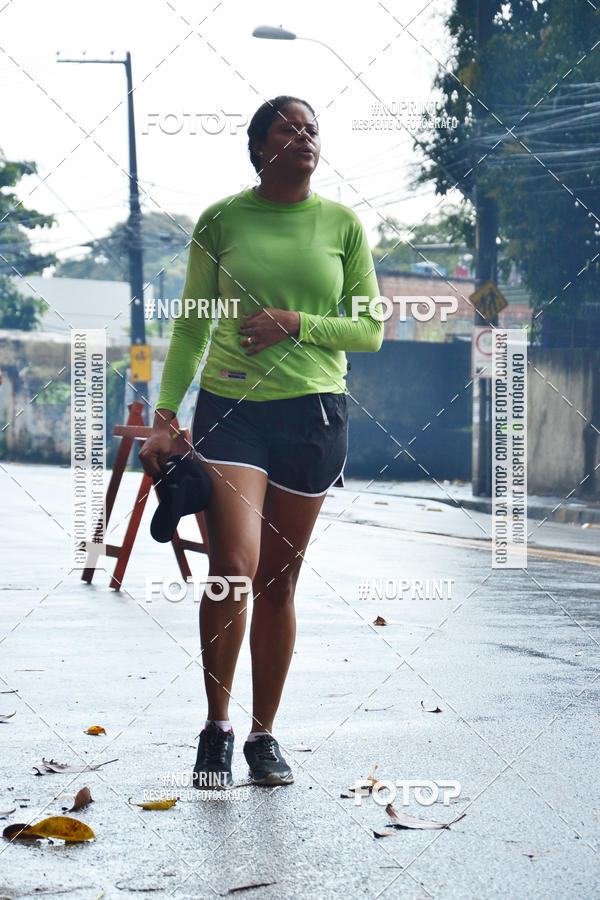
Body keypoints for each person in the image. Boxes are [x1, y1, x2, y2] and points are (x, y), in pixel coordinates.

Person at [139, 95, 383, 789]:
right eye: (289, 128)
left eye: (313, 129)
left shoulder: (343, 225)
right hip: (233, 410)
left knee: (278, 581)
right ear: (258, 147)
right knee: (232, 566)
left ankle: (262, 734)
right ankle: (217, 726)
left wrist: (296, 323)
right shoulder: (221, 219)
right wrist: (166, 414)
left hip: (314, 416)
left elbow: (370, 329)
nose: (305, 137)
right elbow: (192, 324)